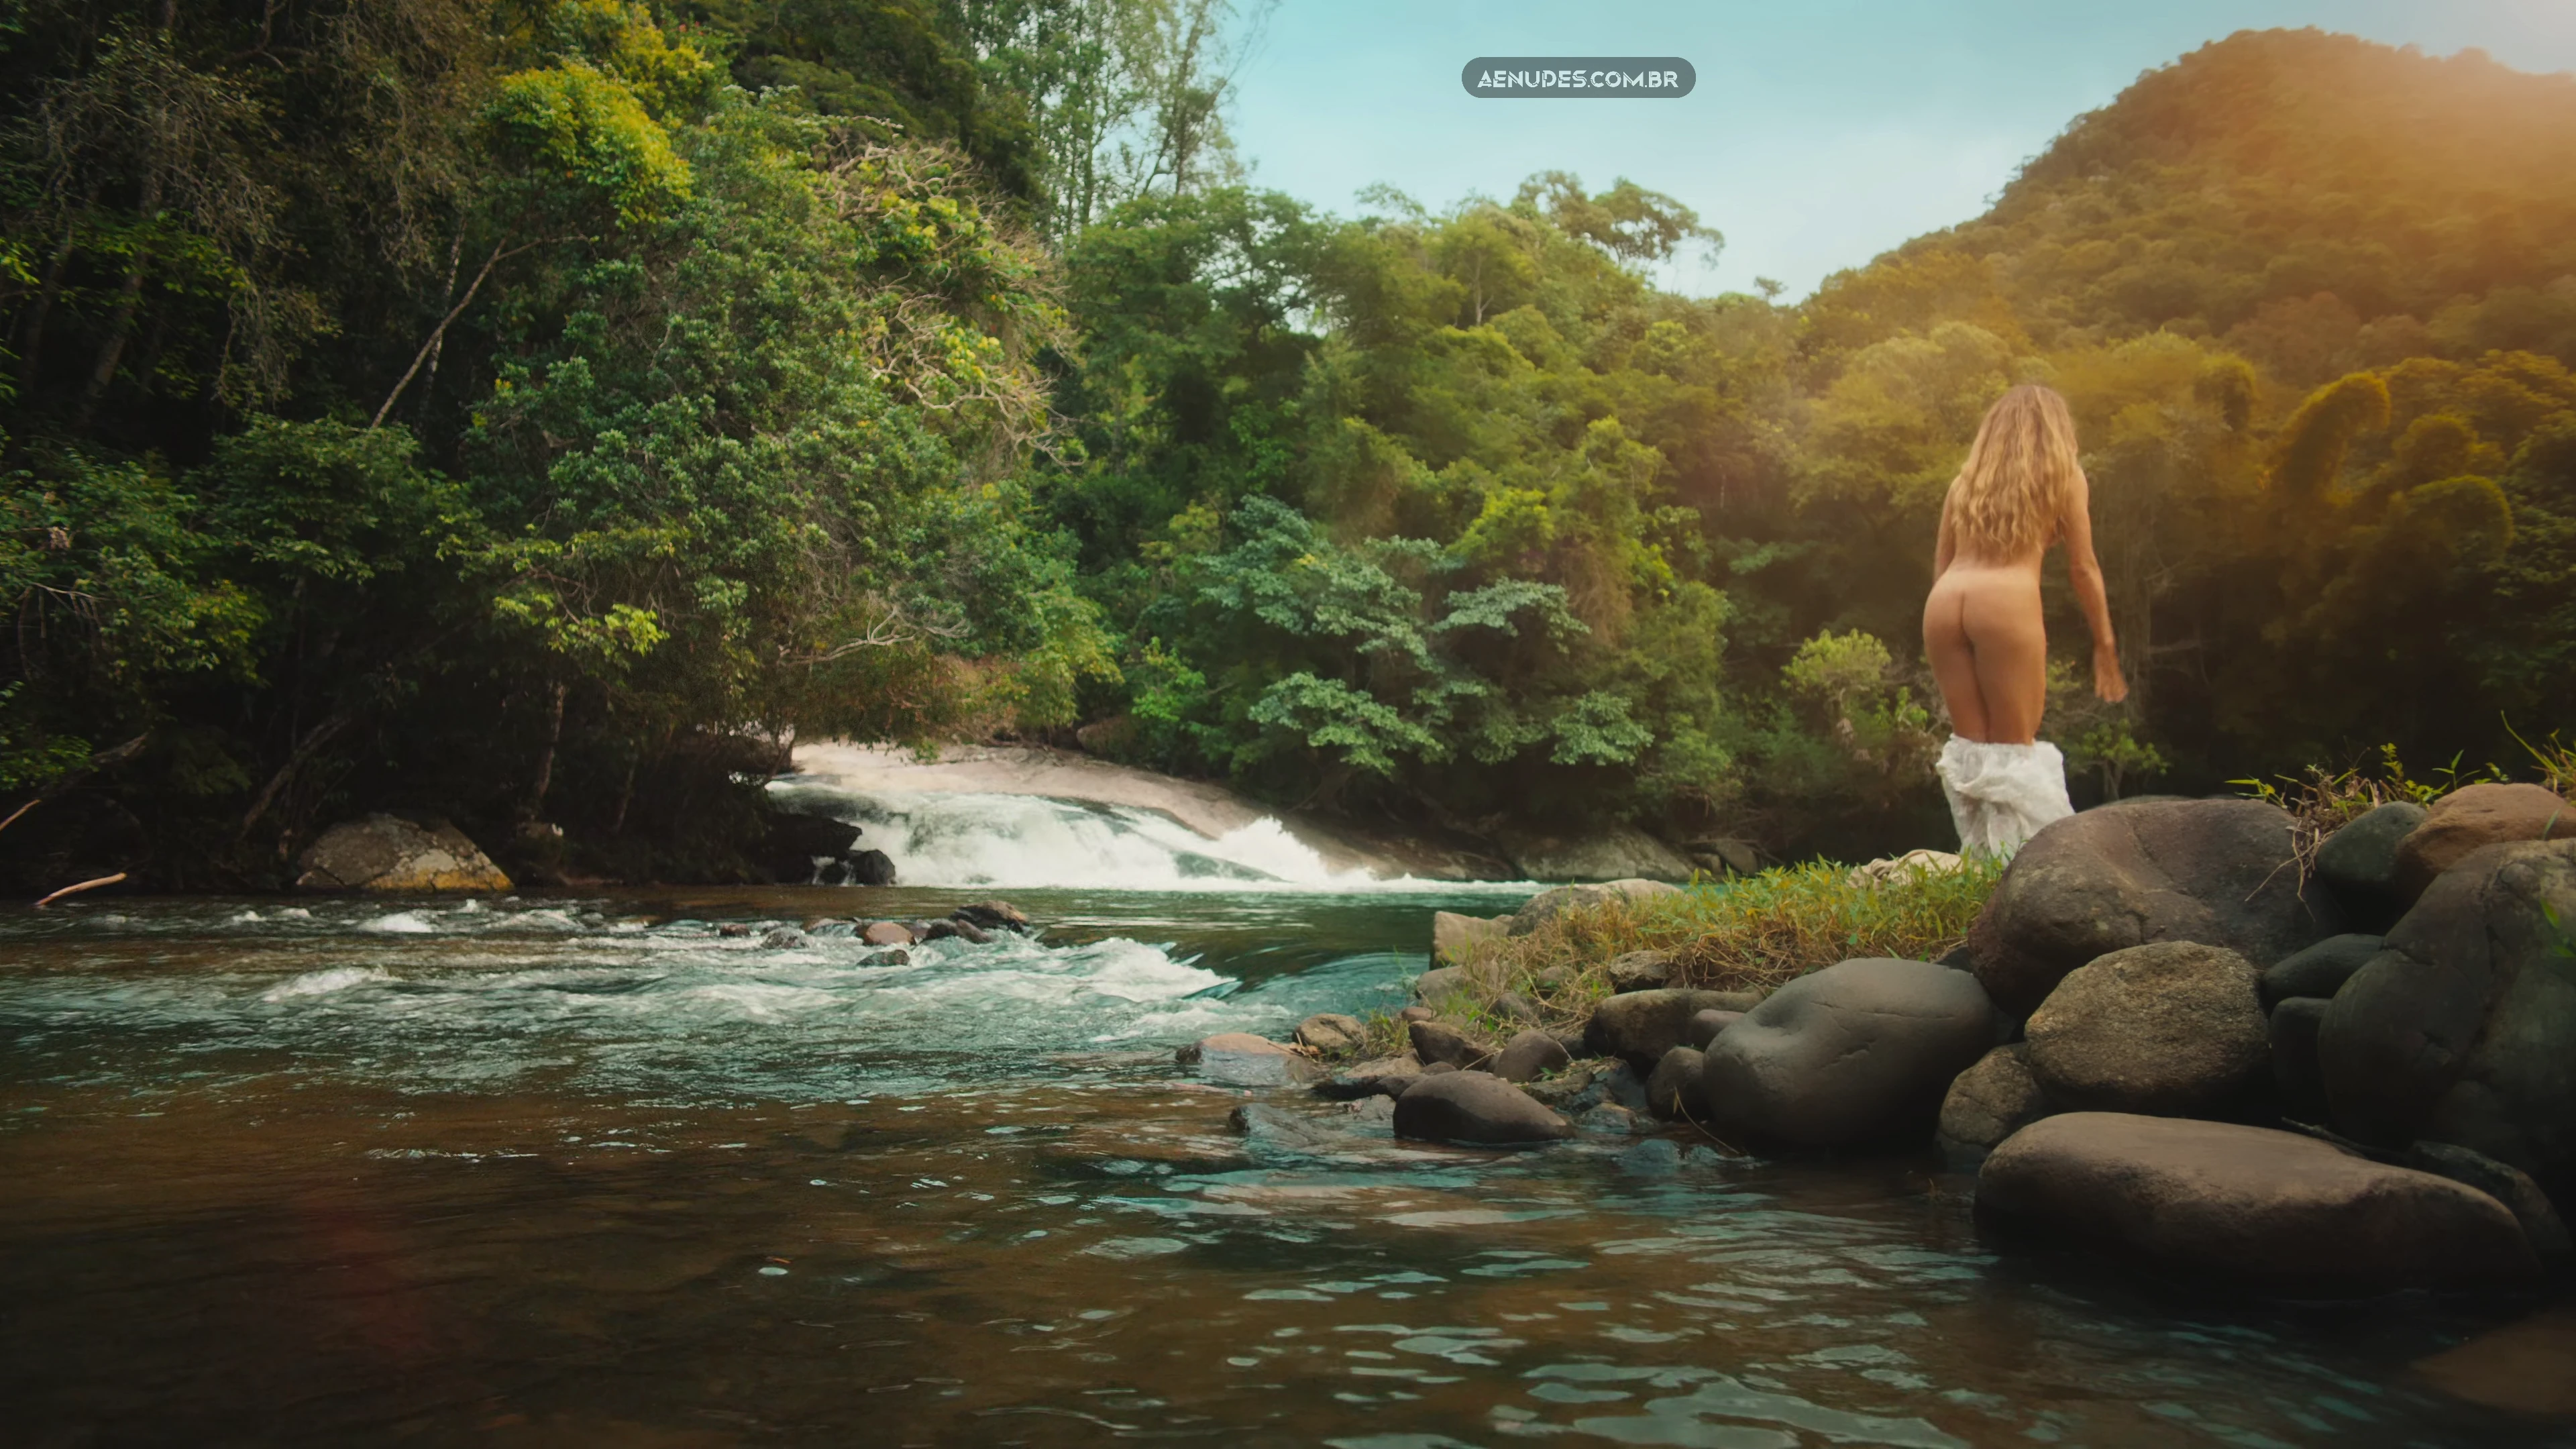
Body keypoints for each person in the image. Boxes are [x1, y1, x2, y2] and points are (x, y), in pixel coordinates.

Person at [1921, 384, 2126, 857]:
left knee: (1972, 748)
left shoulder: (1964, 483)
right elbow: (2083, 568)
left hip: (1946, 601)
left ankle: (1980, 865)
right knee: (2016, 750)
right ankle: (2040, 871)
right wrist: (2105, 644)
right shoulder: (2064, 477)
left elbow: (1941, 563)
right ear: (2055, 431)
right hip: (2004, 601)